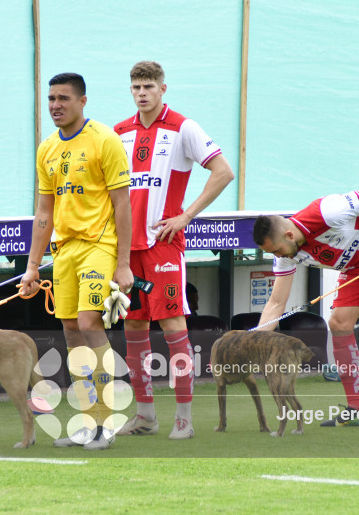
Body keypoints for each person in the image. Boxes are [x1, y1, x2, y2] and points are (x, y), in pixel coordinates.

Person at [113, 61, 234, 440]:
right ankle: (146, 415)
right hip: (125, 250)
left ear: (163, 88)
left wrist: (185, 216)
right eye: (136, 87)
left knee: (173, 327)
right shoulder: (118, 133)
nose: (142, 93)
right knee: (133, 326)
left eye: (149, 86)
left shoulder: (183, 127)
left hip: (163, 246)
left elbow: (223, 172)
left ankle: (184, 417)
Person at [19, 73, 133, 451]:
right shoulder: (47, 147)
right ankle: (87, 422)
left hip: (100, 245)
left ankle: (107, 419)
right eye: (51, 98)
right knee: (71, 330)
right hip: (63, 250)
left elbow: (122, 205)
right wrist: (33, 265)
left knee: (90, 322)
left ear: (83, 101)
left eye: (63, 98)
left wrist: (124, 263)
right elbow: (43, 210)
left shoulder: (105, 140)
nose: (55, 105)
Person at [253, 189, 359, 430]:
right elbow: (276, 303)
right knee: (339, 324)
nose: (277, 257)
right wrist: (256, 342)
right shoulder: (285, 252)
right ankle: (356, 409)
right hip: (358, 266)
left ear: (289, 234)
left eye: (277, 251)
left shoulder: (327, 211)